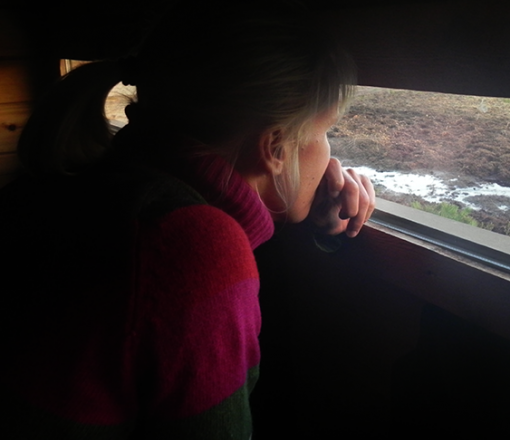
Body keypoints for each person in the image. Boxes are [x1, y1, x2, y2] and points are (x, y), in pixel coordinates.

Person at [0, 2, 374, 438]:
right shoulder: (187, 243)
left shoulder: (91, 181)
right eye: (323, 134)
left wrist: (311, 212)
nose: (329, 154)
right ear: (275, 146)